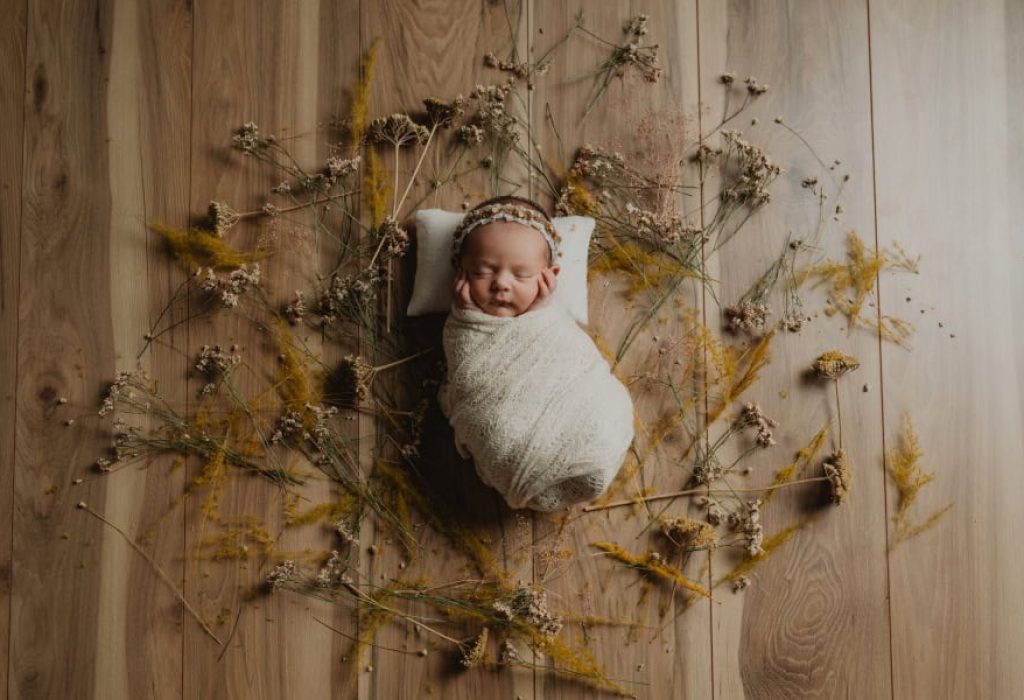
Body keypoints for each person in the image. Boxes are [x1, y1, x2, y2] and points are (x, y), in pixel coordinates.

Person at [436, 196, 635, 511]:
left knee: (600, 420)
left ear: (549, 277)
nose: (501, 283)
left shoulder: (551, 322)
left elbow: (570, 357)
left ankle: (592, 452)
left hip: (585, 422)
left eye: (521, 275)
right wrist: (469, 316)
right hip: (509, 450)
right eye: (482, 272)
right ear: (460, 273)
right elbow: (467, 371)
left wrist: (543, 311)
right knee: (499, 435)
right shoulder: (462, 328)